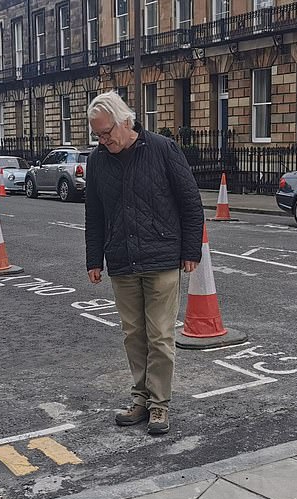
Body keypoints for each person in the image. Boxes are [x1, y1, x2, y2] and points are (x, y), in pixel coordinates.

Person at [85, 91, 204, 435]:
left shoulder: (163, 149)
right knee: (133, 335)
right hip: (121, 260)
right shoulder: (98, 161)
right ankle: (140, 399)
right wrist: (94, 258)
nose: (103, 140)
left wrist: (190, 251)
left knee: (161, 336)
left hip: (161, 258)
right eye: (98, 136)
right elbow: (94, 214)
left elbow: (190, 202)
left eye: (107, 132)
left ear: (125, 120)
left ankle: (159, 405)